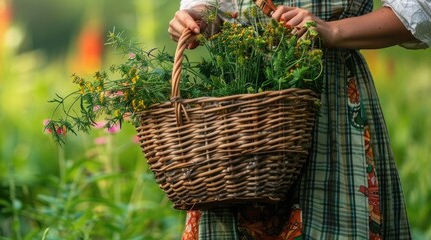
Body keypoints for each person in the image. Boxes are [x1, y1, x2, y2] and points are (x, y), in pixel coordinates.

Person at [168, 0, 430, 239]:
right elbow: (215, 9)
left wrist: (331, 30)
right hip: (240, 120)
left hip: (329, 105)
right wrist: (197, 17)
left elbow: (418, 12)